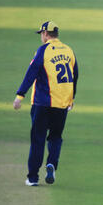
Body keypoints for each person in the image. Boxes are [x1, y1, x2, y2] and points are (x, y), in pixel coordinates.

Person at [13, 21, 79, 186]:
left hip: (42, 104)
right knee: (55, 137)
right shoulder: (69, 50)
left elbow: (31, 72)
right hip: (62, 104)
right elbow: (74, 76)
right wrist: (71, 99)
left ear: (45, 34)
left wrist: (20, 95)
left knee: (38, 139)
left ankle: (33, 178)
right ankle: (51, 164)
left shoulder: (43, 50)